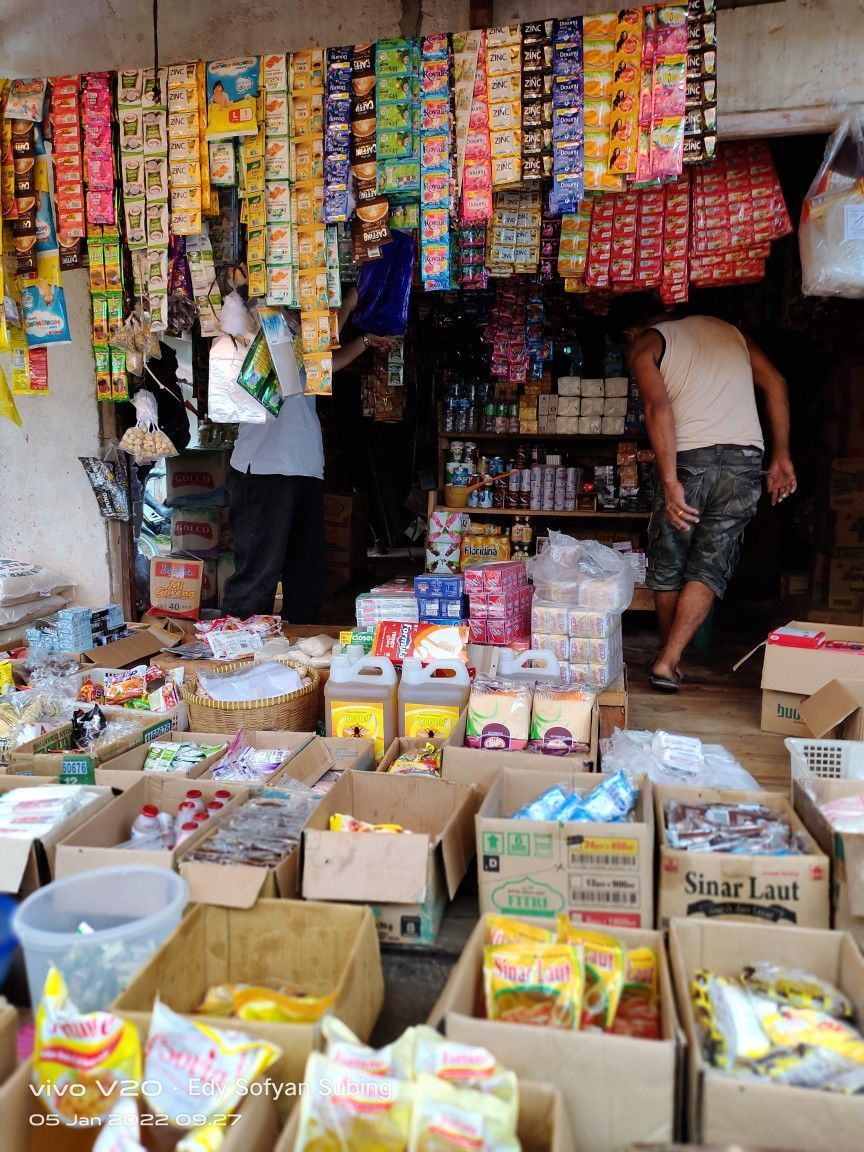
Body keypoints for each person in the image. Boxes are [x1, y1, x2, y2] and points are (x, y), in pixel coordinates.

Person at [620, 295, 797, 692]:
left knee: (669, 566)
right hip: (743, 461)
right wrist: (782, 453)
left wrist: (669, 482)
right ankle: (669, 660)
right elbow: (776, 383)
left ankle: (667, 658)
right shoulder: (732, 333)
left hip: (689, 460)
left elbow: (657, 406)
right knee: (709, 565)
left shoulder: (648, 342)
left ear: (632, 331)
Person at [220, 288, 397, 624]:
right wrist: (347, 307)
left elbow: (321, 366)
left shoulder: (294, 340)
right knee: (260, 569)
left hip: (304, 468)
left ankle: (298, 640)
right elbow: (317, 350)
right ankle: (239, 645)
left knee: (307, 569)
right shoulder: (258, 336)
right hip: (264, 470)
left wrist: (365, 340)